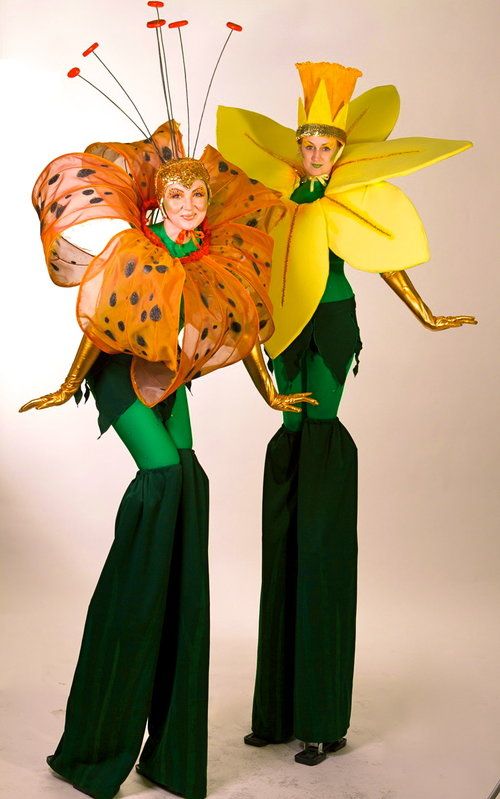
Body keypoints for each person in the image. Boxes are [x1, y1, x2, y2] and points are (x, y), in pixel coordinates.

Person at [20, 120, 314, 799]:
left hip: (169, 378)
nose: (190, 210)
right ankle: (109, 696)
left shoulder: (209, 257)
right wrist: (68, 385)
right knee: (163, 481)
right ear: (159, 202)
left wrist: (271, 391)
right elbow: (100, 324)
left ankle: (173, 743)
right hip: (122, 377)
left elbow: (237, 325)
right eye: (179, 200)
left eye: (198, 201)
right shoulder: (137, 248)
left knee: (192, 483)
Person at [217, 60, 477, 765]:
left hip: (329, 328)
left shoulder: (351, 200)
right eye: (306, 141)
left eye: (325, 144)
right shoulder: (273, 194)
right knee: (289, 453)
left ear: (342, 151)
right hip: (285, 328)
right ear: (295, 145)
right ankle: (276, 706)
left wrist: (425, 313)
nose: (314, 152)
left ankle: (322, 717)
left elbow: (384, 254)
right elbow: (244, 254)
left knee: (320, 459)